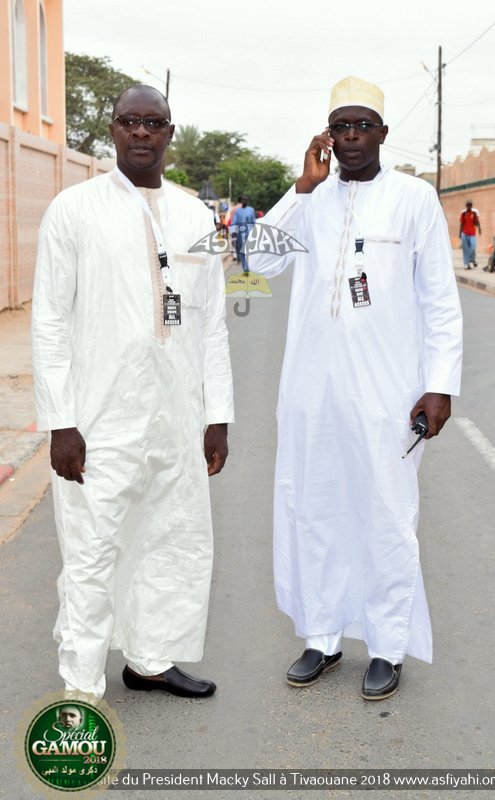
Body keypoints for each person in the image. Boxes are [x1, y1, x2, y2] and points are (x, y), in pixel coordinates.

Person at [249, 76, 462, 700]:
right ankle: (322, 637)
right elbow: (259, 261)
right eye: (340, 127)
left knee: (386, 514)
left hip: (386, 390)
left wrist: (439, 385)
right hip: (310, 389)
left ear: (383, 133)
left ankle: (388, 645)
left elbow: (440, 300)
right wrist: (300, 188)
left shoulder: (414, 198)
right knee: (313, 507)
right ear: (327, 136)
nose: (350, 137)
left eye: (362, 126)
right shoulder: (310, 199)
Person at [32, 85, 234, 701]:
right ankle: (80, 686)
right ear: (112, 130)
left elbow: (214, 325)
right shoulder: (73, 209)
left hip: (177, 417)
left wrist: (217, 416)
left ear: (170, 131)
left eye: (153, 122)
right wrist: (60, 421)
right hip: (99, 419)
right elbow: (50, 320)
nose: (141, 132)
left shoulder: (197, 218)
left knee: (168, 538)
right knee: (92, 551)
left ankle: (149, 660)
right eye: (129, 121)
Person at [230, 195, 256, 273]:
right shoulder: (238, 211)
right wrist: (233, 231)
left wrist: (255, 232)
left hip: (249, 233)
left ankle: (250, 266)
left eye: (245, 200)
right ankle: (245, 268)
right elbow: (234, 222)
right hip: (240, 234)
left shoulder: (251, 210)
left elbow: (253, 222)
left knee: (249, 251)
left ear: (247, 201)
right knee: (242, 251)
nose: (244, 201)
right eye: (242, 200)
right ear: (241, 201)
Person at [459, 200, 481, 269]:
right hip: (464, 233)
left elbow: (477, 222)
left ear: (471, 206)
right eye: (468, 205)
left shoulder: (474, 213)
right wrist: (460, 234)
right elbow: (461, 224)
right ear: (466, 206)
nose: (469, 206)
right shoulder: (463, 214)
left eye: (470, 205)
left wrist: (479, 229)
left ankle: (472, 259)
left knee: (473, 247)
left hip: (472, 234)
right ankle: (467, 264)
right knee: (465, 249)